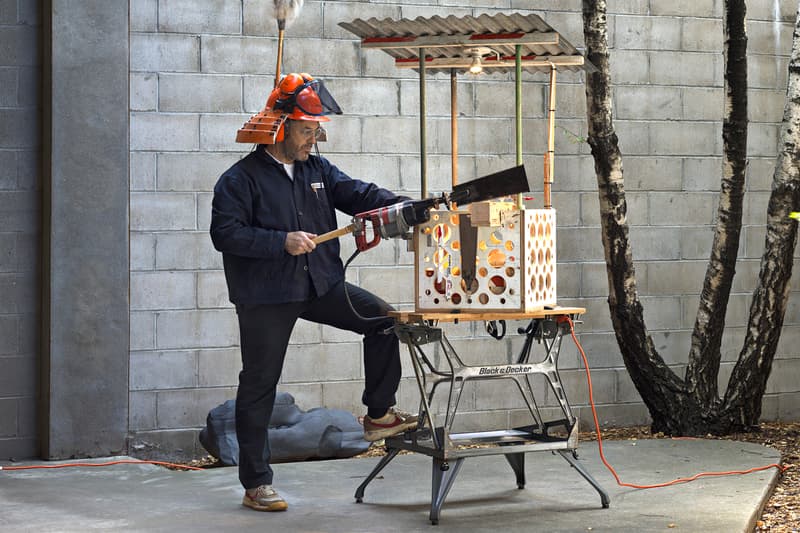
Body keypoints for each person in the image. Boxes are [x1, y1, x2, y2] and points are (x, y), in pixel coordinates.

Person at [210, 73, 418, 513]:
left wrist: (405, 206)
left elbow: (358, 193)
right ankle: (256, 484)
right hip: (267, 294)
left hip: (321, 284)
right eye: (307, 130)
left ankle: (379, 414)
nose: (314, 138)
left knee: (383, 321)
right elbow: (224, 234)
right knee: (260, 383)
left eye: (316, 130)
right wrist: (279, 241)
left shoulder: (317, 169)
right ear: (280, 128)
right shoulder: (239, 179)